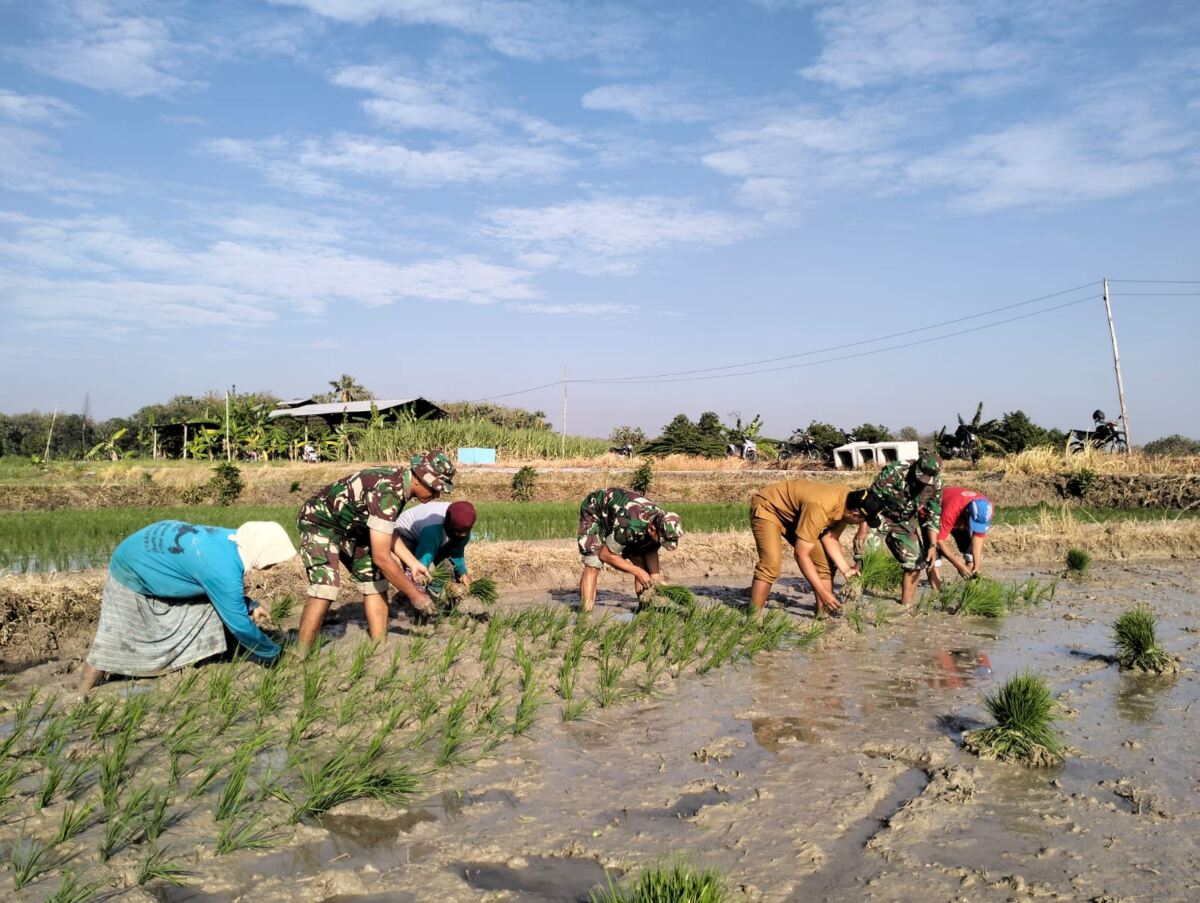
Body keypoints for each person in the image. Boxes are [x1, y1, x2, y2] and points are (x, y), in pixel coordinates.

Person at [80, 520, 297, 693]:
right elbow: (239, 625)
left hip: (143, 550)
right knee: (113, 638)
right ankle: (82, 691)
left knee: (212, 606)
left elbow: (216, 585)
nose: (274, 566)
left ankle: (207, 655)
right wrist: (274, 655)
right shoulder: (223, 569)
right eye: (274, 559)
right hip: (132, 567)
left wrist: (249, 604)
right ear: (261, 551)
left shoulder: (231, 540)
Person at [295, 451, 456, 649]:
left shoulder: (400, 484)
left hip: (356, 530)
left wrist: (412, 563)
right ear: (420, 479)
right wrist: (415, 595)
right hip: (321, 524)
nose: (436, 495)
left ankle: (380, 647)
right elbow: (382, 557)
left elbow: (385, 531)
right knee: (326, 585)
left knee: (375, 581)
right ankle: (300, 654)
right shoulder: (388, 491)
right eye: (435, 489)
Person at [749, 480, 882, 616]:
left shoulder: (850, 500)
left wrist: (846, 570)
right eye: (862, 521)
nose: (861, 524)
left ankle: (823, 613)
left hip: (796, 515)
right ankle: (753, 618)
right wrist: (823, 592)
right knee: (771, 564)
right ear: (854, 515)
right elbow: (801, 554)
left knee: (824, 562)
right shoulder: (820, 507)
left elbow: (830, 538)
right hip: (769, 507)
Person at [853, 451, 943, 606]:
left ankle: (905, 607)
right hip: (879, 515)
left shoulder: (935, 484)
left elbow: (933, 516)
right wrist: (862, 529)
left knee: (916, 563)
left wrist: (933, 546)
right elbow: (870, 500)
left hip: (904, 521)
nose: (923, 482)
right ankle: (852, 597)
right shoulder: (895, 471)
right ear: (916, 466)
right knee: (863, 555)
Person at [577, 488, 683, 613]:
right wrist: (638, 572)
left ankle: (644, 609)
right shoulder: (630, 525)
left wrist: (656, 579)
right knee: (593, 563)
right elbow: (606, 555)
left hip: (621, 517)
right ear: (652, 529)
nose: (662, 542)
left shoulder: (662, 522)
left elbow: (651, 551)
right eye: (662, 539)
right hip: (596, 510)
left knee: (641, 562)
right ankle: (585, 614)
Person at [393, 500, 477, 587]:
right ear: (450, 525)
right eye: (458, 532)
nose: (462, 535)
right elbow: (423, 560)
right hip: (405, 532)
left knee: (447, 572)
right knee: (417, 575)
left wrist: (463, 573)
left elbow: (457, 550)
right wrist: (421, 575)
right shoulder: (434, 529)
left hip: (430, 534)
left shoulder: (464, 523)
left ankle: (445, 592)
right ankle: (407, 597)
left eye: (465, 532)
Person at [930, 487, 994, 590]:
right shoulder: (951, 510)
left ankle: (971, 591)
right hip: (937, 513)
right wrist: (958, 565)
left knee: (971, 554)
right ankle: (935, 595)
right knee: (934, 555)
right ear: (967, 512)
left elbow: (978, 536)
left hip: (959, 515)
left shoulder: (986, 508)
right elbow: (939, 540)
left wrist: (977, 565)